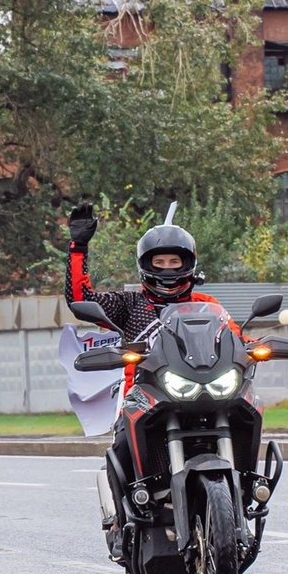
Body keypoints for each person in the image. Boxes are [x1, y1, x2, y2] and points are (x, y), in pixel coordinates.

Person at [66, 203, 232, 482]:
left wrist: (254, 347)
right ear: (146, 265)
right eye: (159, 262)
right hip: (144, 395)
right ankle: (126, 513)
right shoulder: (129, 304)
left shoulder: (207, 305)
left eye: (174, 262)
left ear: (188, 264)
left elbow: (233, 335)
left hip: (205, 390)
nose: (167, 269)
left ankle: (246, 487)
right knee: (120, 449)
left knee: (243, 412)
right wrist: (78, 248)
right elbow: (80, 300)